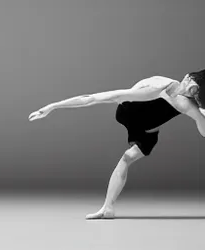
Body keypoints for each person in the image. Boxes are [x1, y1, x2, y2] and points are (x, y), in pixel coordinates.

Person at [28, 68, 205, 219]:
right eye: (193, 89)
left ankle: (107, 208)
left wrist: (200, 111)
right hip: (128, 113)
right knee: (124, 106)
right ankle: (107, 208)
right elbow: (92, 98)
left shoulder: (188, 104)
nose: (192, 95)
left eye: (196, 94)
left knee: (127, 158)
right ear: (188, 77)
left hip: (147, 133)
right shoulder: (157, 87)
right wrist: (53, 106)